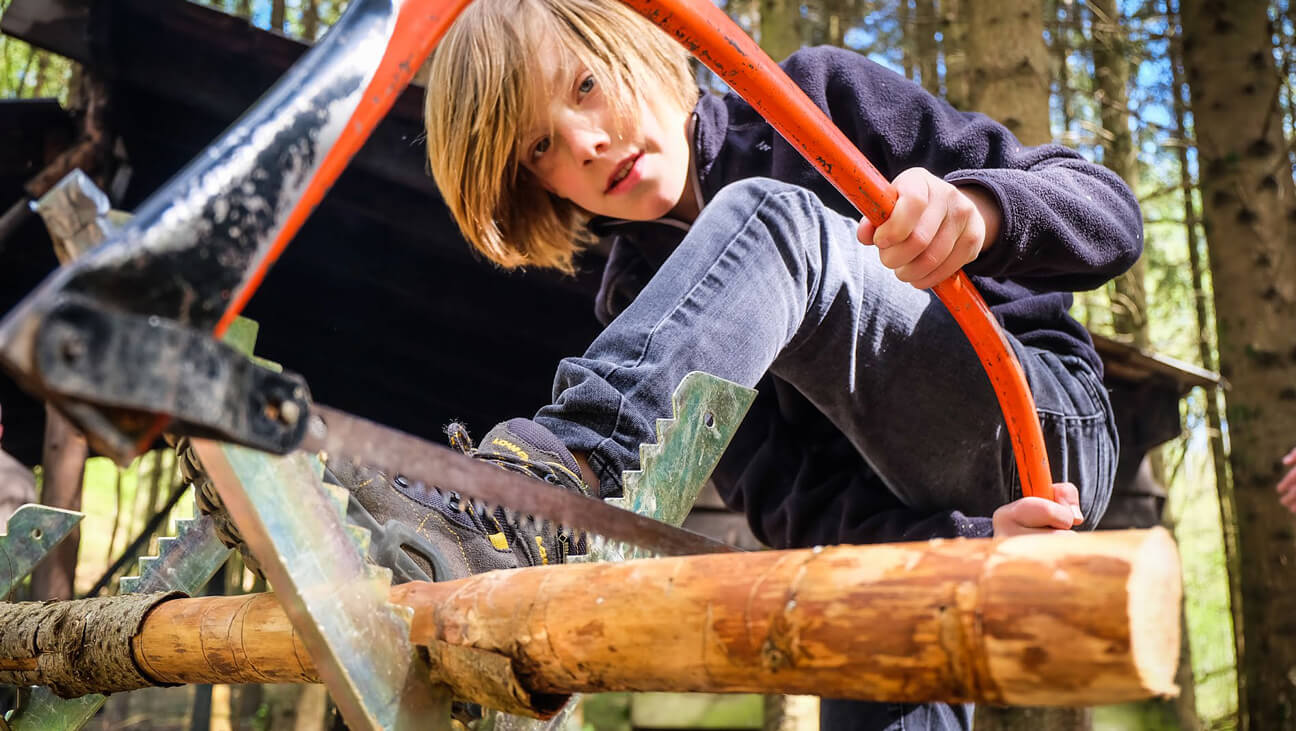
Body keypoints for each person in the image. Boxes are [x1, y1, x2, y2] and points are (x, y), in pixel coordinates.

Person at [341, 0, 1142, 727]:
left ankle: (547, 491)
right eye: (542, 145)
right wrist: (964, 540)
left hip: (1042, 429)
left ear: (637, 41)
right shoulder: (637, 308)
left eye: (584, 85)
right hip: (921, 535)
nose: (585, 144)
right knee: (873, 647)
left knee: (770, 222)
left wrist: (983, 209)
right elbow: (798, 506)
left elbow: (1109, 213)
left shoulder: (814, 99)